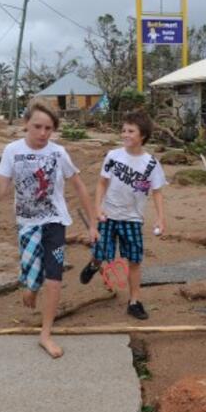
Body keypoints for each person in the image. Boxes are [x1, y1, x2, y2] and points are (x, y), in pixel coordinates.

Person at [0, 102, 98, 358]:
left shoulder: (58, 152)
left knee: (54, 279)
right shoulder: (12, 151)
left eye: (49, 128)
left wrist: (94, 223)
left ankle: (45, 334)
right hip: (27, 223)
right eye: (38, 127)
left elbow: (78, 186)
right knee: (31, 273)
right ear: (26, 125)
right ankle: (31, 285)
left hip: (55, 222)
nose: (43, 133)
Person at [79, 110, 166, 320]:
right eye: (123, 130)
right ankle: (93, 265)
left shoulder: (151, 164)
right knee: (101, 252)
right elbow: (102, 182)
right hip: (108, 215)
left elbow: (157, 192)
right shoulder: (113, 156)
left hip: (132, 219)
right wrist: (98, 207)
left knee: (134, 260)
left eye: (131, 131)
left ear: (142, 135)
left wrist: (160, 217)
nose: (125, 134)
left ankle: (134, 301)